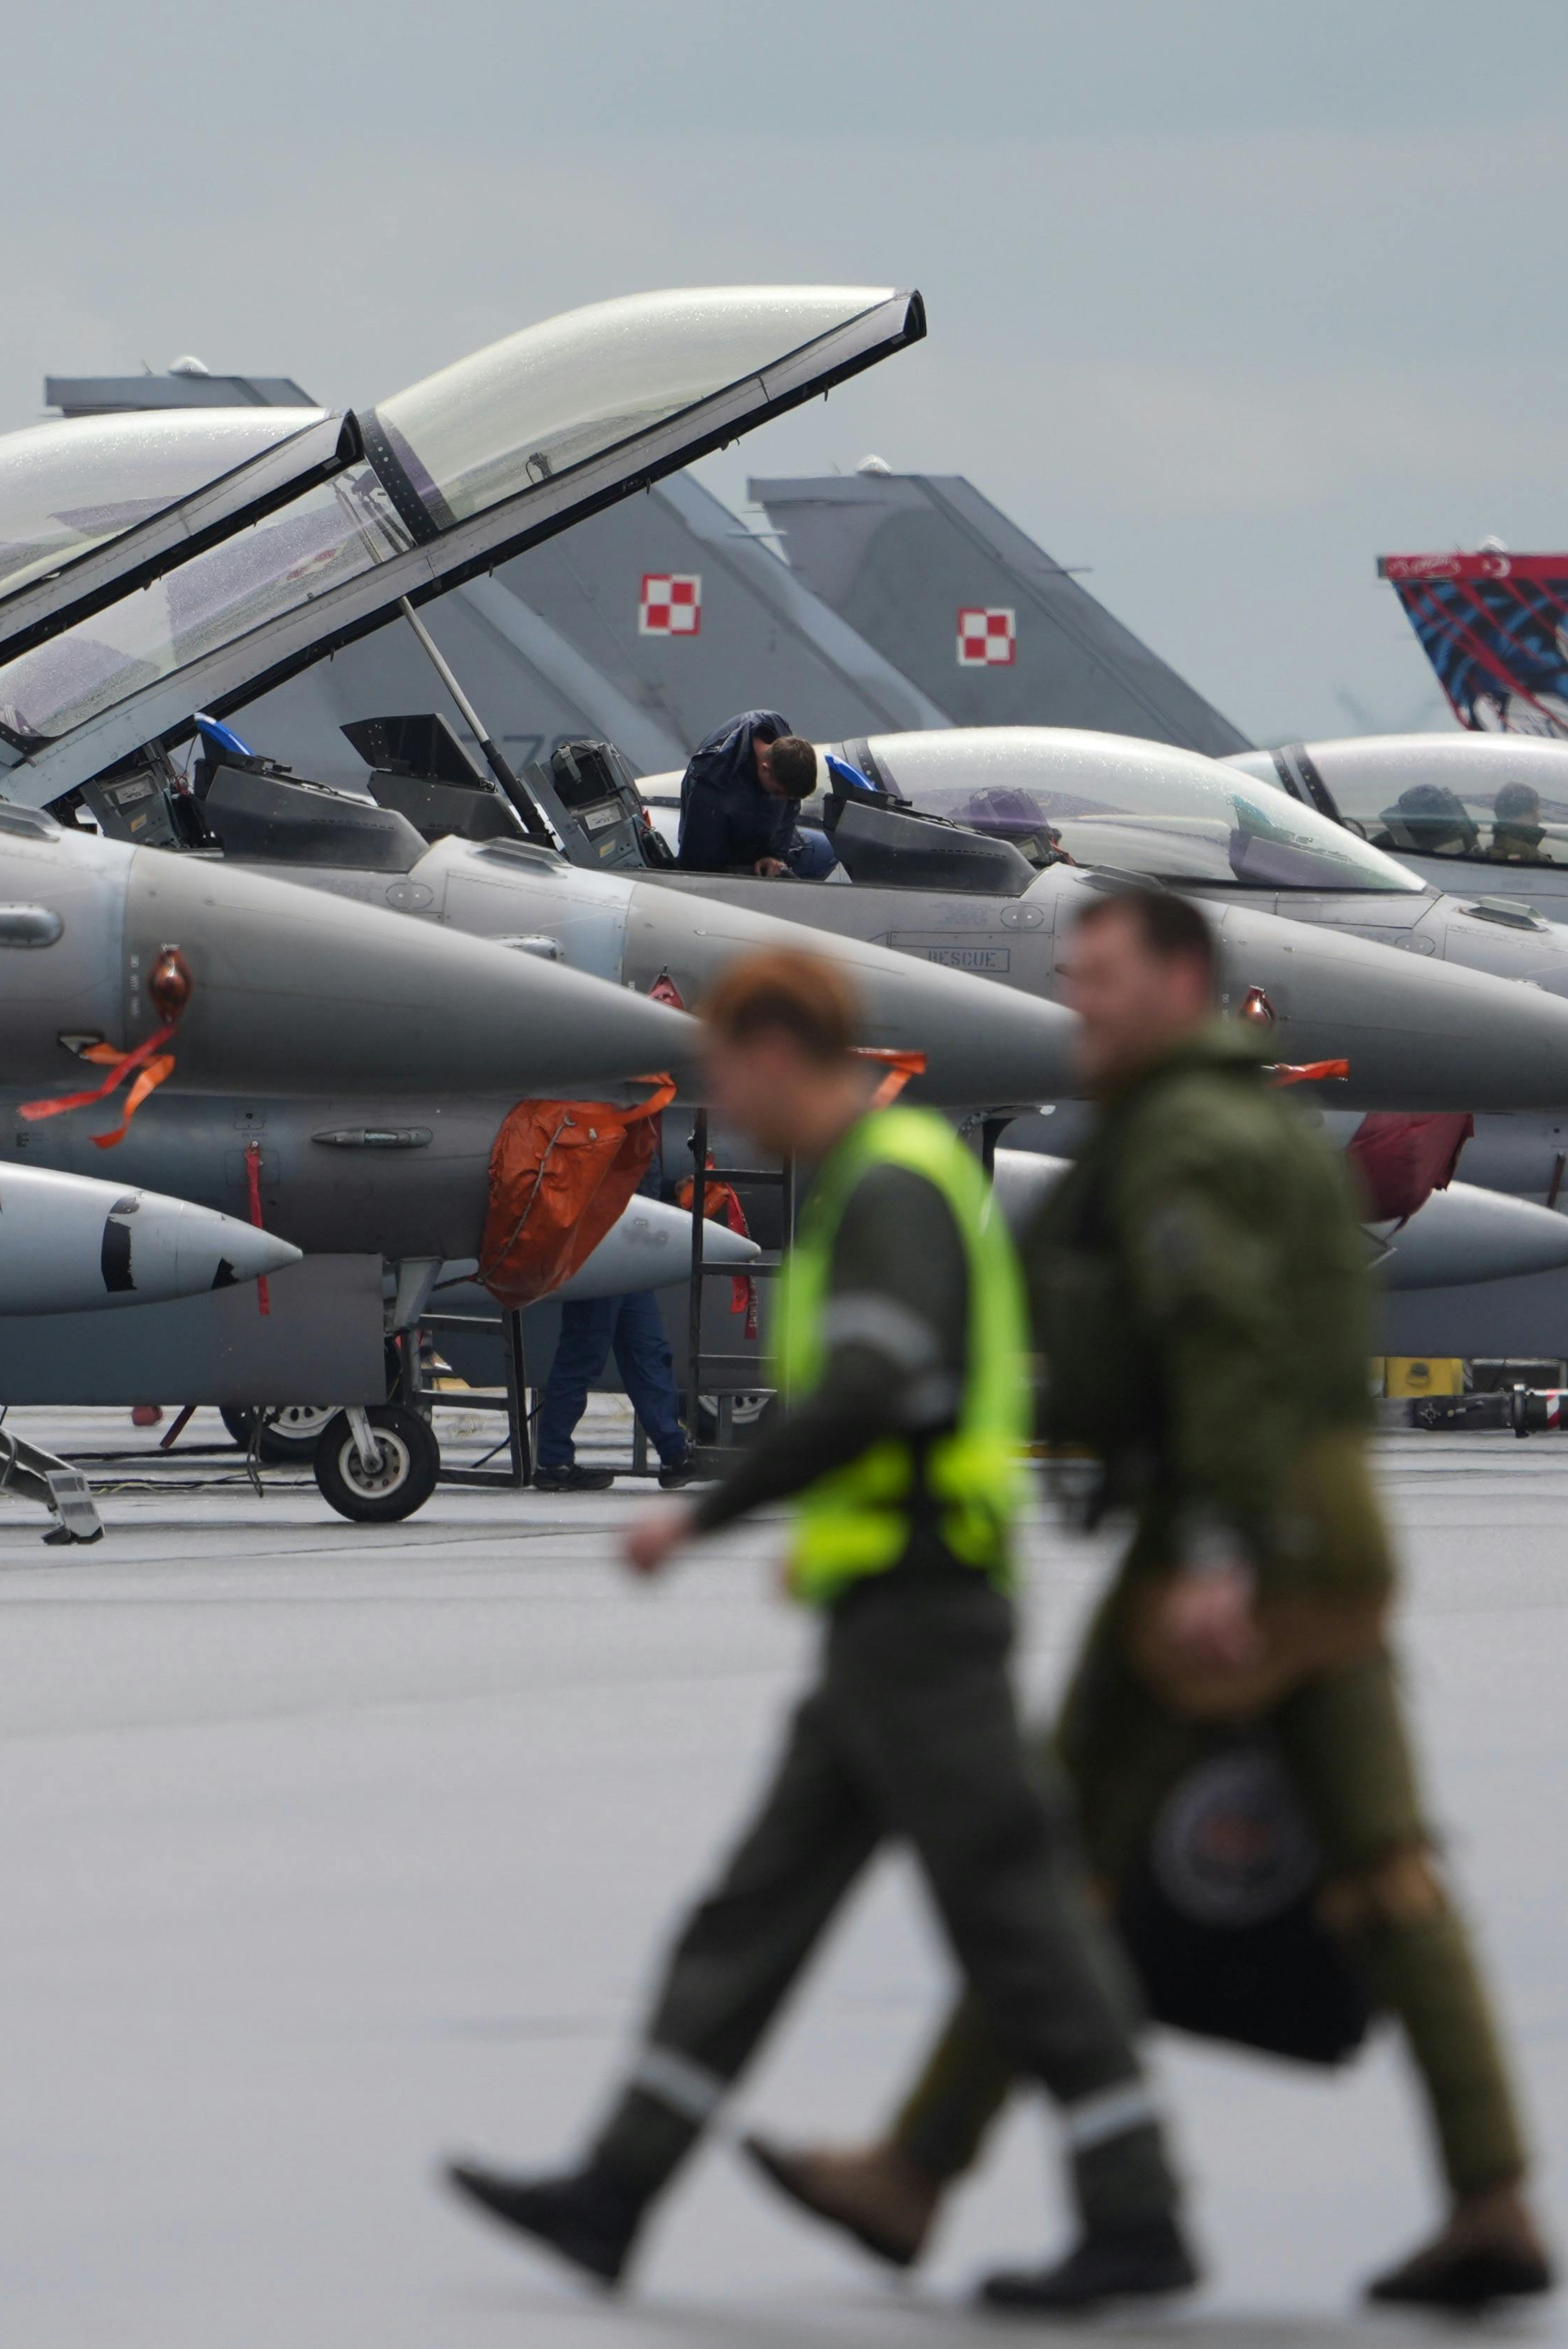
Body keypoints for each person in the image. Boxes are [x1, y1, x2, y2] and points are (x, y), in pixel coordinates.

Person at [740, 883, 1557, 2315]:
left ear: (1180, 983)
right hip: (1327, 1531)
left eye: (1104, 977)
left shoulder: (1180, 1138)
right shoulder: (1260, 1126)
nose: (1080, 1002)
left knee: (1061, 1860)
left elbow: (1219, 1336)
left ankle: (934, 2172)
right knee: (1380, 1869)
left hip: (1225, 1533)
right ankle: (1490, 2199)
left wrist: (1217, 1551)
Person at [445, 947, 1199, 2315]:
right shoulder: (877, 1184)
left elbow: (873, 1386)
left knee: (1014, 1919)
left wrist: (706, 1517)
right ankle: (614, 2190)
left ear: (785, 1055)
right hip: (883, 1614)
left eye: (729, 1069)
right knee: (757, 1909)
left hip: (923, 1622)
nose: (719, 1102)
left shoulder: (887, 1190)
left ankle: (1137, 2213)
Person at [529, 1291, 691, 1490]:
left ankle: (674, 1456)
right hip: (600, 1271)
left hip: (630, 1270)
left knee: (649, 1355)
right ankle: (553, 1462)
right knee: (583, 1356)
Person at [676, 710, 840, 879]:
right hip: (724, 858)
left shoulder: (777, 729)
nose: (783, 800)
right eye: (778, 793)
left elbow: (789, 809)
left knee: (831, 853)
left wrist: (775, 855)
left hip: (768, 840)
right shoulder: (713, 782)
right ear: (764, 769)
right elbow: (698, 863)